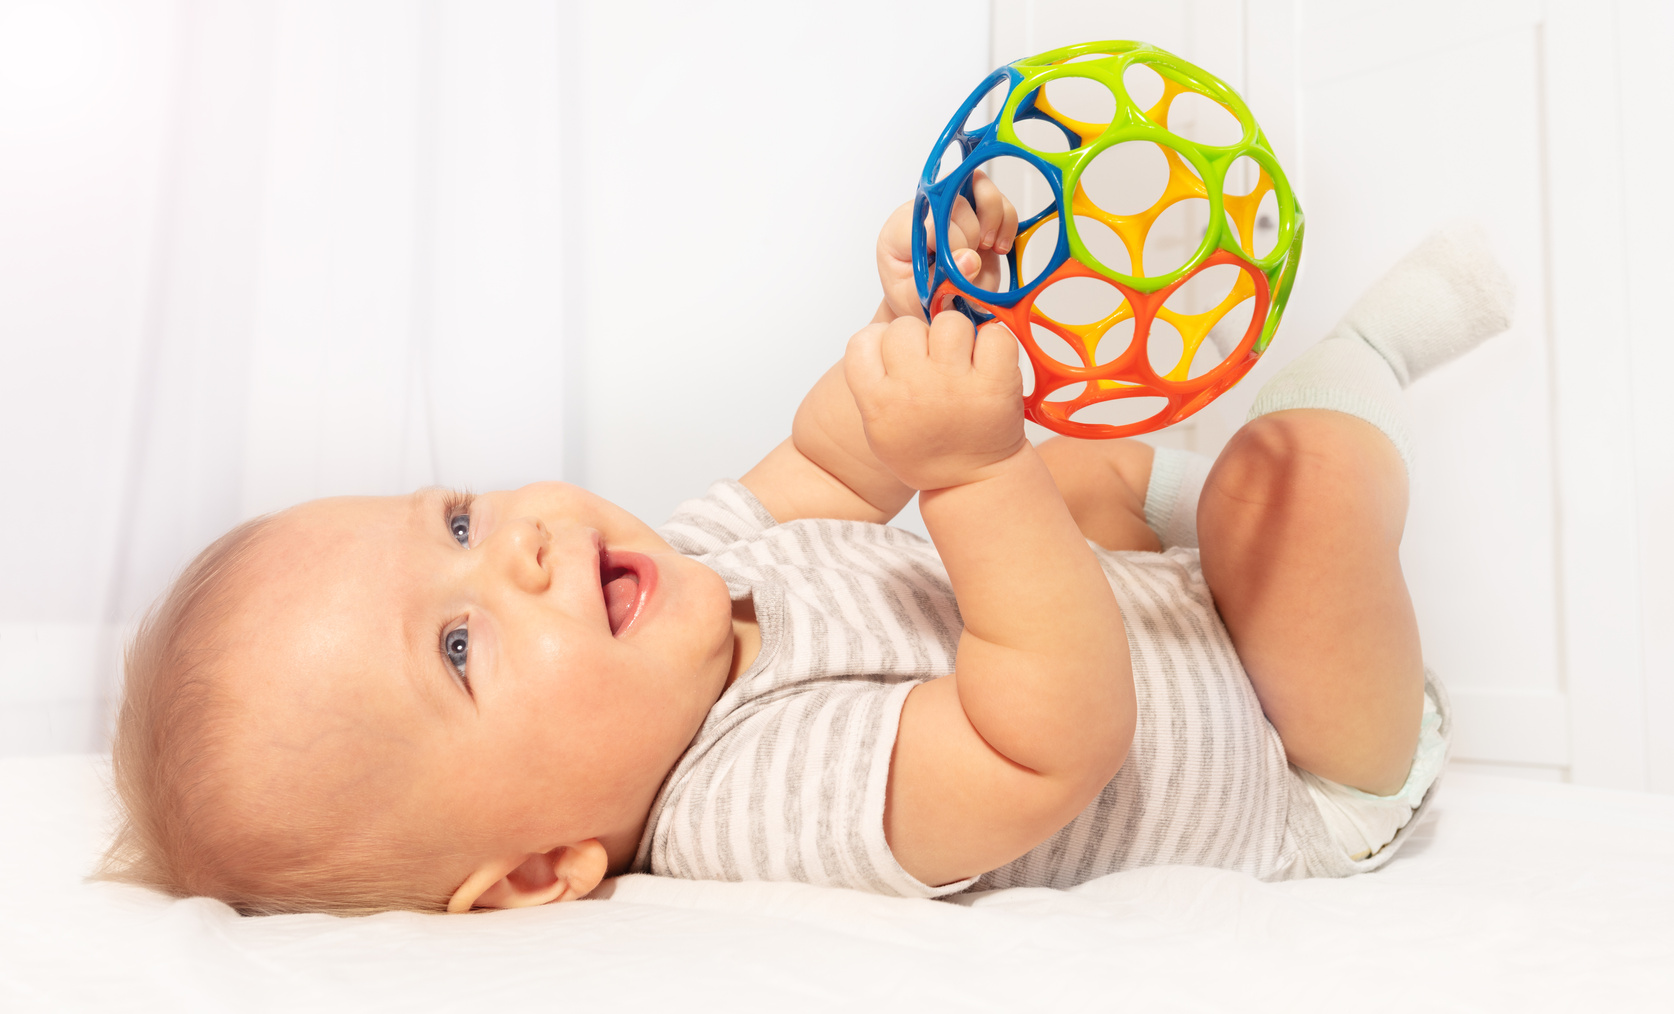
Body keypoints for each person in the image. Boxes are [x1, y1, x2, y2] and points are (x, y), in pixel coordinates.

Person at [98, 177, 1511, 915]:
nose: (514, 550)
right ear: (541, 868)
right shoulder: (755, 803)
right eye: (457, 643)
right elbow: (1055, 736)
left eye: (457, 520)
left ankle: (1161, 508)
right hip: (1292, 758)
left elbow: (839, 457)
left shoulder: (691, 570)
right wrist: (966, 465)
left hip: (1142, 601)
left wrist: (932, 318)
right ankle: (1367, 357)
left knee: (1059, 446)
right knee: (1291, 476)